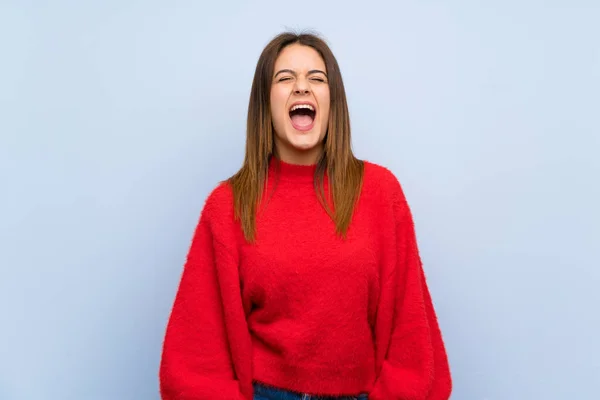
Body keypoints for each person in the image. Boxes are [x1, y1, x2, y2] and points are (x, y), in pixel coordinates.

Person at [159, 31, 452, 400]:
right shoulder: (227, 205)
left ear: (333, 102)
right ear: (266, 103)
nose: (302, 88)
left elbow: (412, 336)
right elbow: (194, 358)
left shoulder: (380, 192)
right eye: (285, 78)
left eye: (317, 78)